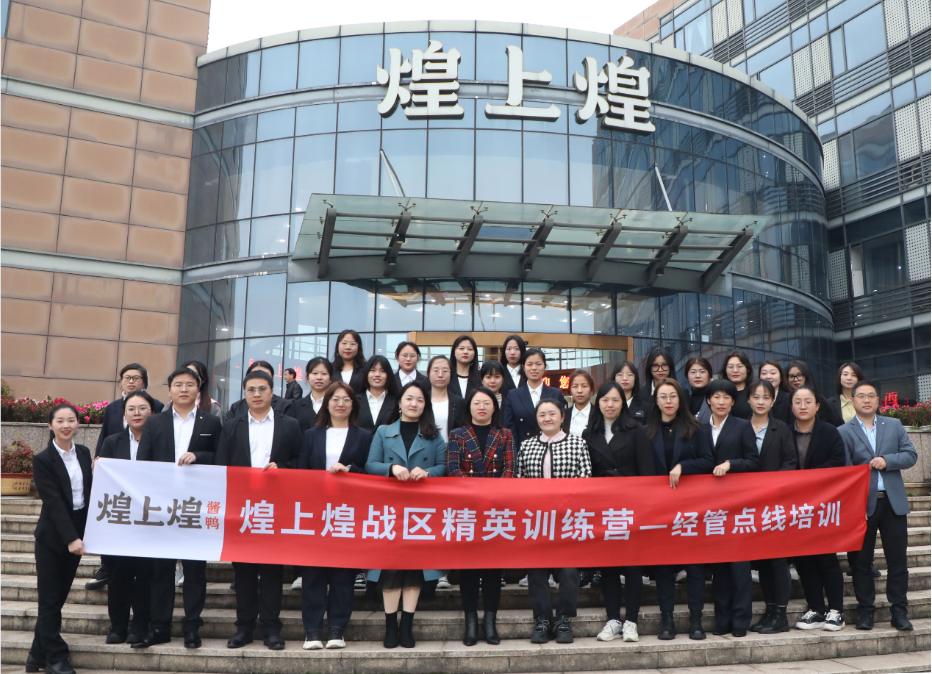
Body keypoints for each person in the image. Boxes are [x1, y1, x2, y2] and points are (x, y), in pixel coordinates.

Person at [134, 367, 222, 649]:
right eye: (178, 384)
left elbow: (221, 458)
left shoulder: (211, 422)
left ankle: (192, 627)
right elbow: (144, 462)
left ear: (199, 389)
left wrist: (199, 455)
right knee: (161, 570)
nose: (184, 389)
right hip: (163, 506)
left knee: (195, 570)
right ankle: (160, 626)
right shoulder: (155, 422)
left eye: (190, 384)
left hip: (196, 506)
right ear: (170, 390)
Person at [215, 370, 302, 651]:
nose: (256, 394)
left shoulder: (290, 425)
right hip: (242, 509)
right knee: (243, 573)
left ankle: (272, 629)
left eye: (262, 389)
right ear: (244, 393)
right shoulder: (232, 426)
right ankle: (244, 628)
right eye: (251, 389)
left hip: (275, 508)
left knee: (272, 572)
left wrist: (283, 469)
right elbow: (222, 465)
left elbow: (301, 462)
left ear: (272, 392)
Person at [366, 382, 448, 649]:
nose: (414, 404)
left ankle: (407, 627)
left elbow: (443, 466)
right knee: (391, 568)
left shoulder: (434, 435)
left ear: (426, 406)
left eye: (420, 400)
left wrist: (428, 472)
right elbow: (370, 465)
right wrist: (391, 468)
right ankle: (391, 626)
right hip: (390, 509)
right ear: (400, 403)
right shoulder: (383, 431)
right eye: (409, 398)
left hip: (420, 512)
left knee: (414, 569)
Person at [297, 382, 373, 649]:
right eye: (335, 399)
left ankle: (337, 630)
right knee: (313, 574)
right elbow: (301, 473)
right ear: (326, 404)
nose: (341, 404)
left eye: (346, 400)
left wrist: (351, 471)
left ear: (353, 405)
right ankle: (312, 631)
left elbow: (369, 472)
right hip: (315, 513)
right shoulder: (311, 435)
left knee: (343, 575)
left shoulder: (364, 436)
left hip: (348, 513)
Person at [838, 380, 918, 632]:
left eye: (871, 396)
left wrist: (887, 460)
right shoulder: (843, 431)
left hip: (893, 503)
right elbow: (844, 471)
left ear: (878, 400)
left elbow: (911, 455)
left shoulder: (893, 425)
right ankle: (866, 611)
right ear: (852, 400)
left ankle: (899, 611)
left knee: (898, 561)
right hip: (863, 505)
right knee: (861, 562)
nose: (866, 400)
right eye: (861, 396)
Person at [583, 381, 653, 643]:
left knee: (633, 566)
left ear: (623, 403)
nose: (610, 405)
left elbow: (647, 473)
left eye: (615, 400)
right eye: (605, 400)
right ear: (597, 403)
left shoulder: (636, 431)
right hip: (602, 508)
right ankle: (613, 619)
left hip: (630, 506)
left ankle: (631, 621)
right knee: (609, 566)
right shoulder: (589, 433)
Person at [517, 399, 591, 644]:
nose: (547, 418)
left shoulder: (577, 443)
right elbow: (519, 481)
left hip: (567, 519)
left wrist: (565, 506)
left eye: (552, 413)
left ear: (562, 417)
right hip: (537, 520)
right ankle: (542, 619)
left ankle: (563, 619)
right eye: (542, 414)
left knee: (569, 571)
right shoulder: (526, 446)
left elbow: (585, 480)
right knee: (537, 571)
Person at [645, 378, 713, 641]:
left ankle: (696, 620)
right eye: (663, 396)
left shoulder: (697, 429)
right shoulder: (646, 431)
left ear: (680, 399)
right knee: (664, 567)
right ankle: (667, 620)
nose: (668, 401)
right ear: (656, 400)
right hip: (659, 510)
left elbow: (708, 461)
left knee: (695, 567)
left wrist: (684, 466)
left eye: (673, 396)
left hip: (690, 509)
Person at [447, 387, 516, 646]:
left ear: (494, 407)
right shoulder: (457, 434)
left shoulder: (505, 434)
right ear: (470, 407)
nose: (482, 407)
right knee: (468, 569)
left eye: (487, 402)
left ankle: (490, 622)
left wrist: (493, 495)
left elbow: (510, 469)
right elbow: (453, 470)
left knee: (492, 569)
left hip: (496, 510)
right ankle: (470, 623)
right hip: (467, 509)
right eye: (477, 403)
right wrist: (477, 493)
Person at [28, 403, 92, 674]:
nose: (66, 425)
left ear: (77, 423)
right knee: (50, 600)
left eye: (71, 420)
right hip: (53, 538)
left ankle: (36, 656)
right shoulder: (43, 459)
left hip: (77, 532)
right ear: (50, 425)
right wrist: (71, 538)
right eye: (60, 421)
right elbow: (53, 502)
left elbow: (89, 493)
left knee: (57, 599)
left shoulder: (84, 453)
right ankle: (56, 657)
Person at [89, 363, 163, 591]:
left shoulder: (159, 420)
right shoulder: (113, 416)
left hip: (149, 504)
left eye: (136, 377)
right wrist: (99, 463)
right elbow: (104, 438)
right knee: (120, 568)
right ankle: (108, 570)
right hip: (119, 497)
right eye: (126, 377)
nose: (136, 413)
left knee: (145, 571)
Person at [701, 378, 760, 637]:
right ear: (708, 400)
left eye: (727, 397)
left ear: (733, 402)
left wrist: (730, 464)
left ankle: (740, 620)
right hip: (711, 507)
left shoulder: (742, 426)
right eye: (716, 397)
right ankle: (722, 619)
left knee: (739, 567)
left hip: (737, 505)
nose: (721, 402)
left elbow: (753, 461)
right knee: (719, 568)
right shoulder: (701, 429)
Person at [97, 391, 155, 646]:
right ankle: (118, 625)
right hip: (120, 519)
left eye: (142, 408)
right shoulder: (112, 441)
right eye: (131, 409)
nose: (136, 413)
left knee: (145, 574)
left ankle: (140, 623)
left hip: (150, 518)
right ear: (124, 414)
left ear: (152, 412)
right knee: (119, 574)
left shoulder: (160, 441)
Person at [789, 384, 848, 631]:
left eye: (808, 402)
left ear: (817, 406)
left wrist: (809, 477)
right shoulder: (784, 432)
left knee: (826, 558)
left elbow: (838, 462)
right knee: (803, 560)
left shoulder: (829, 432)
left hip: (823, 505)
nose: (802, 406)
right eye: (798, 402)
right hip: (794, 507)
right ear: (791, 406)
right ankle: (815, 609)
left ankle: (836, 611)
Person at [745, 379, 797, 634]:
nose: (761, 401)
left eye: (766, 397)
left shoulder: (782, 428)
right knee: (762, 560)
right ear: (748, 400)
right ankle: (769, 610)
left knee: (778, 559)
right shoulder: (741, 427)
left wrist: (771, 485)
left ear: (773, 400)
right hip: (748, 504)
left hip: (775, 503)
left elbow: (790, 462)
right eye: (756, 397)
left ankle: (781, 614)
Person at [503, 348, 566, 445]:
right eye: (529, 364)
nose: (534, 368)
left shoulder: (556, 393)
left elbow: (562, 424)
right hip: (523, 448)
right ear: (523, 367)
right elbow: (510, 429)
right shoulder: (513, 395)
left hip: (552, 446)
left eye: (538, 364)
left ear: (545, 366)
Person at [225, 361, 294, 420]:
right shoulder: (236, 408)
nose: (260, 378)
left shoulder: (286, 406)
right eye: (254, 375)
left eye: (265, 375)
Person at [786, 360, 842, 427]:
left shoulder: (820, 399)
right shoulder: (784, 400)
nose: (795, 379)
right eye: (791, 376)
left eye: (799, 375)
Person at [427, 356, 466, 444]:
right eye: (436, 370)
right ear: (428, 373)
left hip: (453, 448)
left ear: (451, 374)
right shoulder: (422, 401)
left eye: (445, 371)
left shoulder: (459, 402)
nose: (440, 375)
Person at [356, 355, 400, 432]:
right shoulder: (355, 400)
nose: (377, 374)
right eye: (373, 370)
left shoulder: (397, 401)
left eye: (382, 371)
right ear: (366, 373)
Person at [292, 357, 333, 434]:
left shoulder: (336, 404)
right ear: (307, 378)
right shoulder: (297, 406)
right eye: (315, 373)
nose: (319, 377)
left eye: (324, 374)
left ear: (330, 378)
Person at [720, 350, 753, 420]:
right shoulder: (718, 392)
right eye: (730, 367)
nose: (735, 370)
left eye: (739, 366)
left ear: (748, 369)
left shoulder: (754, 392)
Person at [759, 360, 793, 425]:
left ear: (781, 377)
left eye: (773, 373)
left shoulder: (789, 398)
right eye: (764, 373)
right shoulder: (753, 398)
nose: (768, 377)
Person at [333, 329, 367, 393]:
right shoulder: (330, 369)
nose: (348, 347)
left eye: (353, 343)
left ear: (358, 347)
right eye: (344, 343)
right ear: (338, 346)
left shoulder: (366, 369)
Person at [564, 370, 595, 437]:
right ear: (570, 390)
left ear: (591, 390)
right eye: (575, 386)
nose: (579, 390)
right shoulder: (563, 416)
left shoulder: (599, 414)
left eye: (584, 386)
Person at [685, 357, 713, 423]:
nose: (697, 376)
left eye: (702, 372)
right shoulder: (684, 398)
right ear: (687, 376)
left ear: (710, 375)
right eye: (693, 372)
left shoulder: (715, 398)